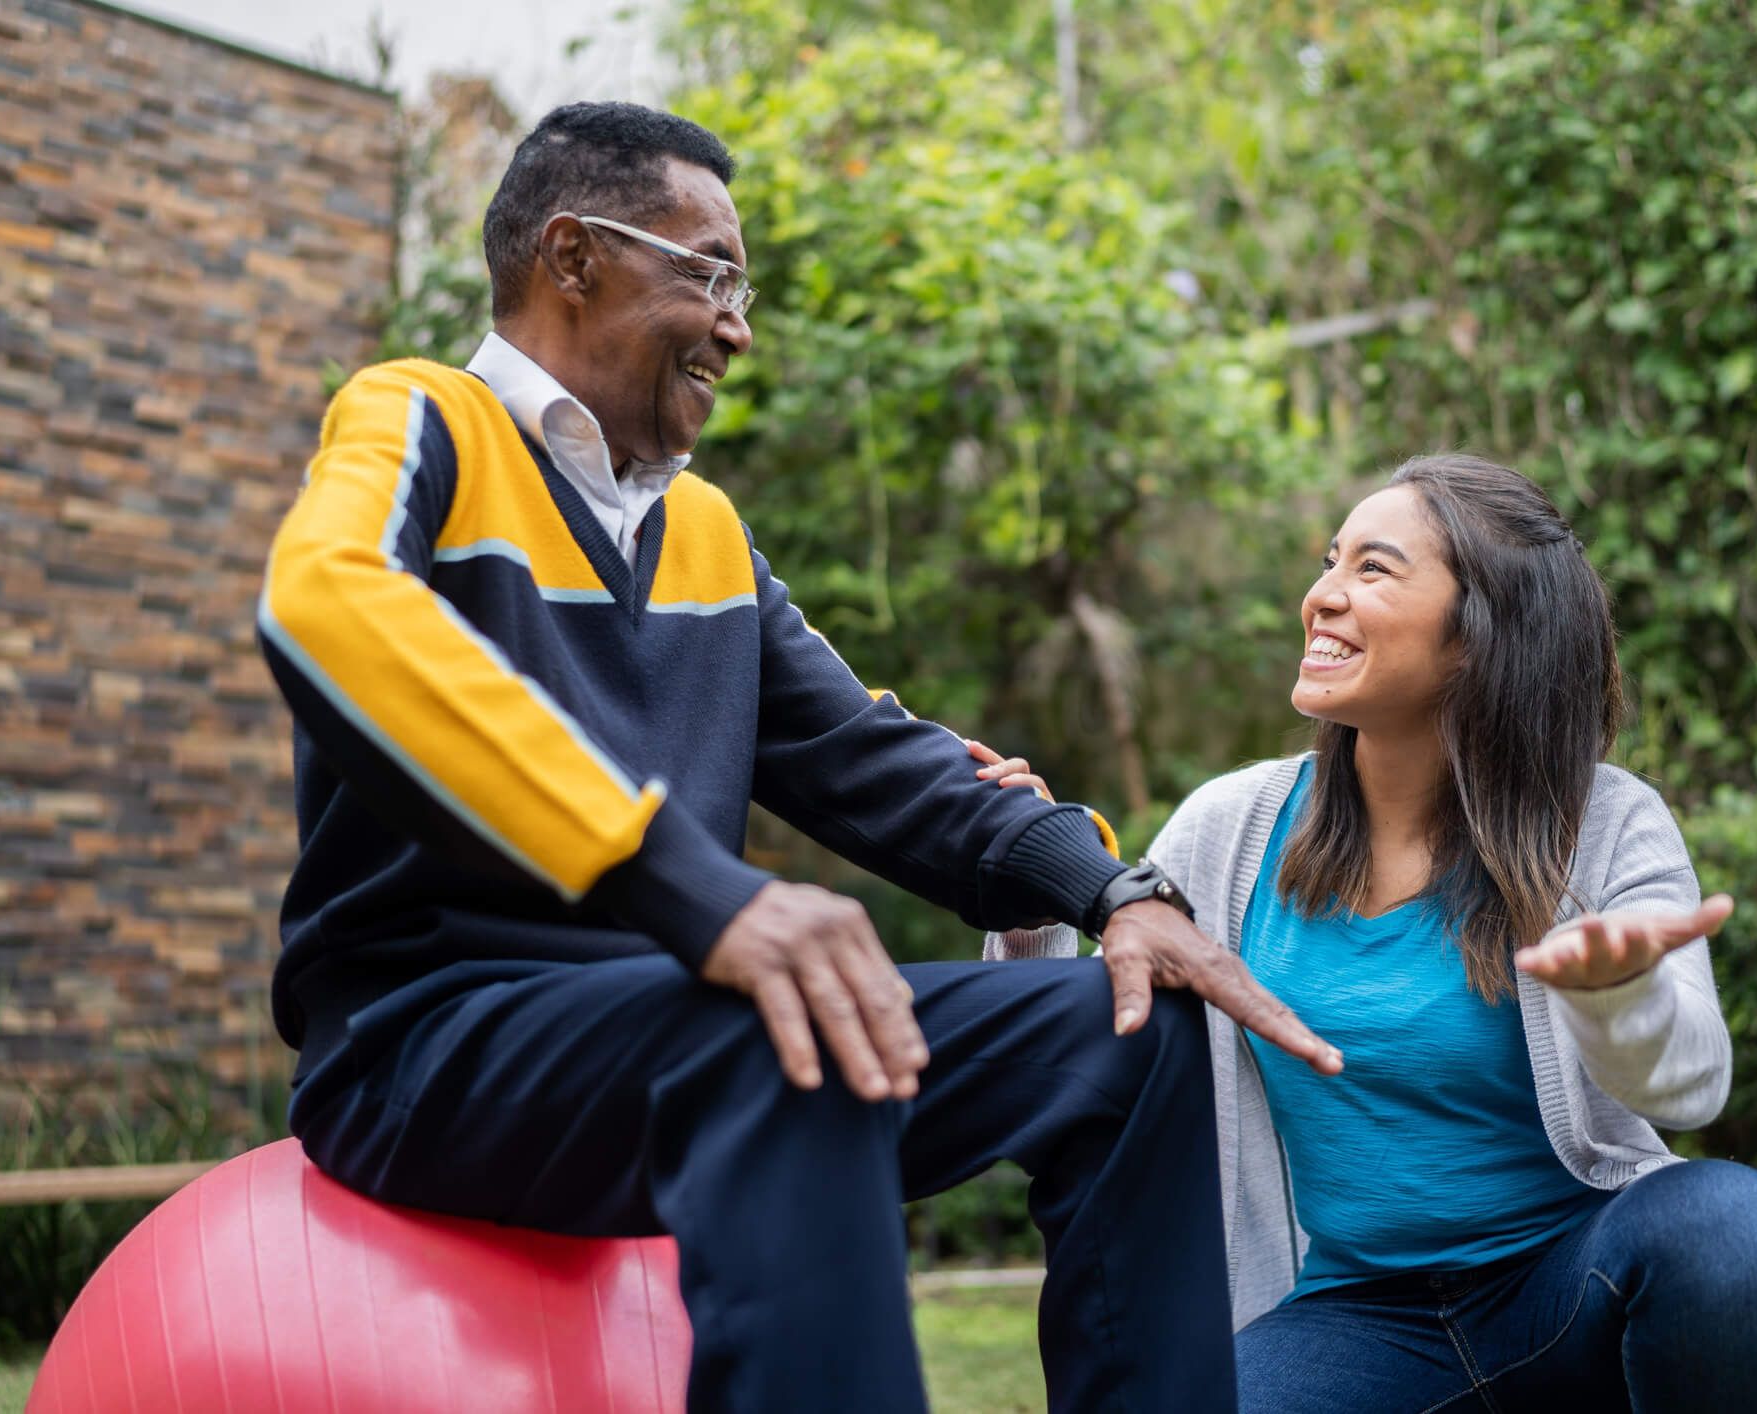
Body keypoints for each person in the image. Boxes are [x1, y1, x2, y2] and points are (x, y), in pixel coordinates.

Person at [255, 101, 1337, 1413]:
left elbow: (873, 757)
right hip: (430, 1044)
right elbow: (328, 606)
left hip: (697, 1037)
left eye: (741, 283)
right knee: (791, 1014)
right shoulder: (418, 418)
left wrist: (1116, 893)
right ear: (572, 256)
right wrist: (706, 897)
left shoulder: (702, 531)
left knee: (1126, 1028)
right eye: (707, 270)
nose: (738, 323)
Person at [975, 453, 1757, 1412]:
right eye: (1328, 561)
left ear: (1477, 637)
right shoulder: (1227, 830)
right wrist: (1034, 903)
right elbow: (1104, 1059)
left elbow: (1688, 1087)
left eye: (1372, 569)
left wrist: (1619, 995)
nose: (1321, 597)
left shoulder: (1601, 820)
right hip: (1357, 1321)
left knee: (1731, 1233)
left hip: (1578, 1285)